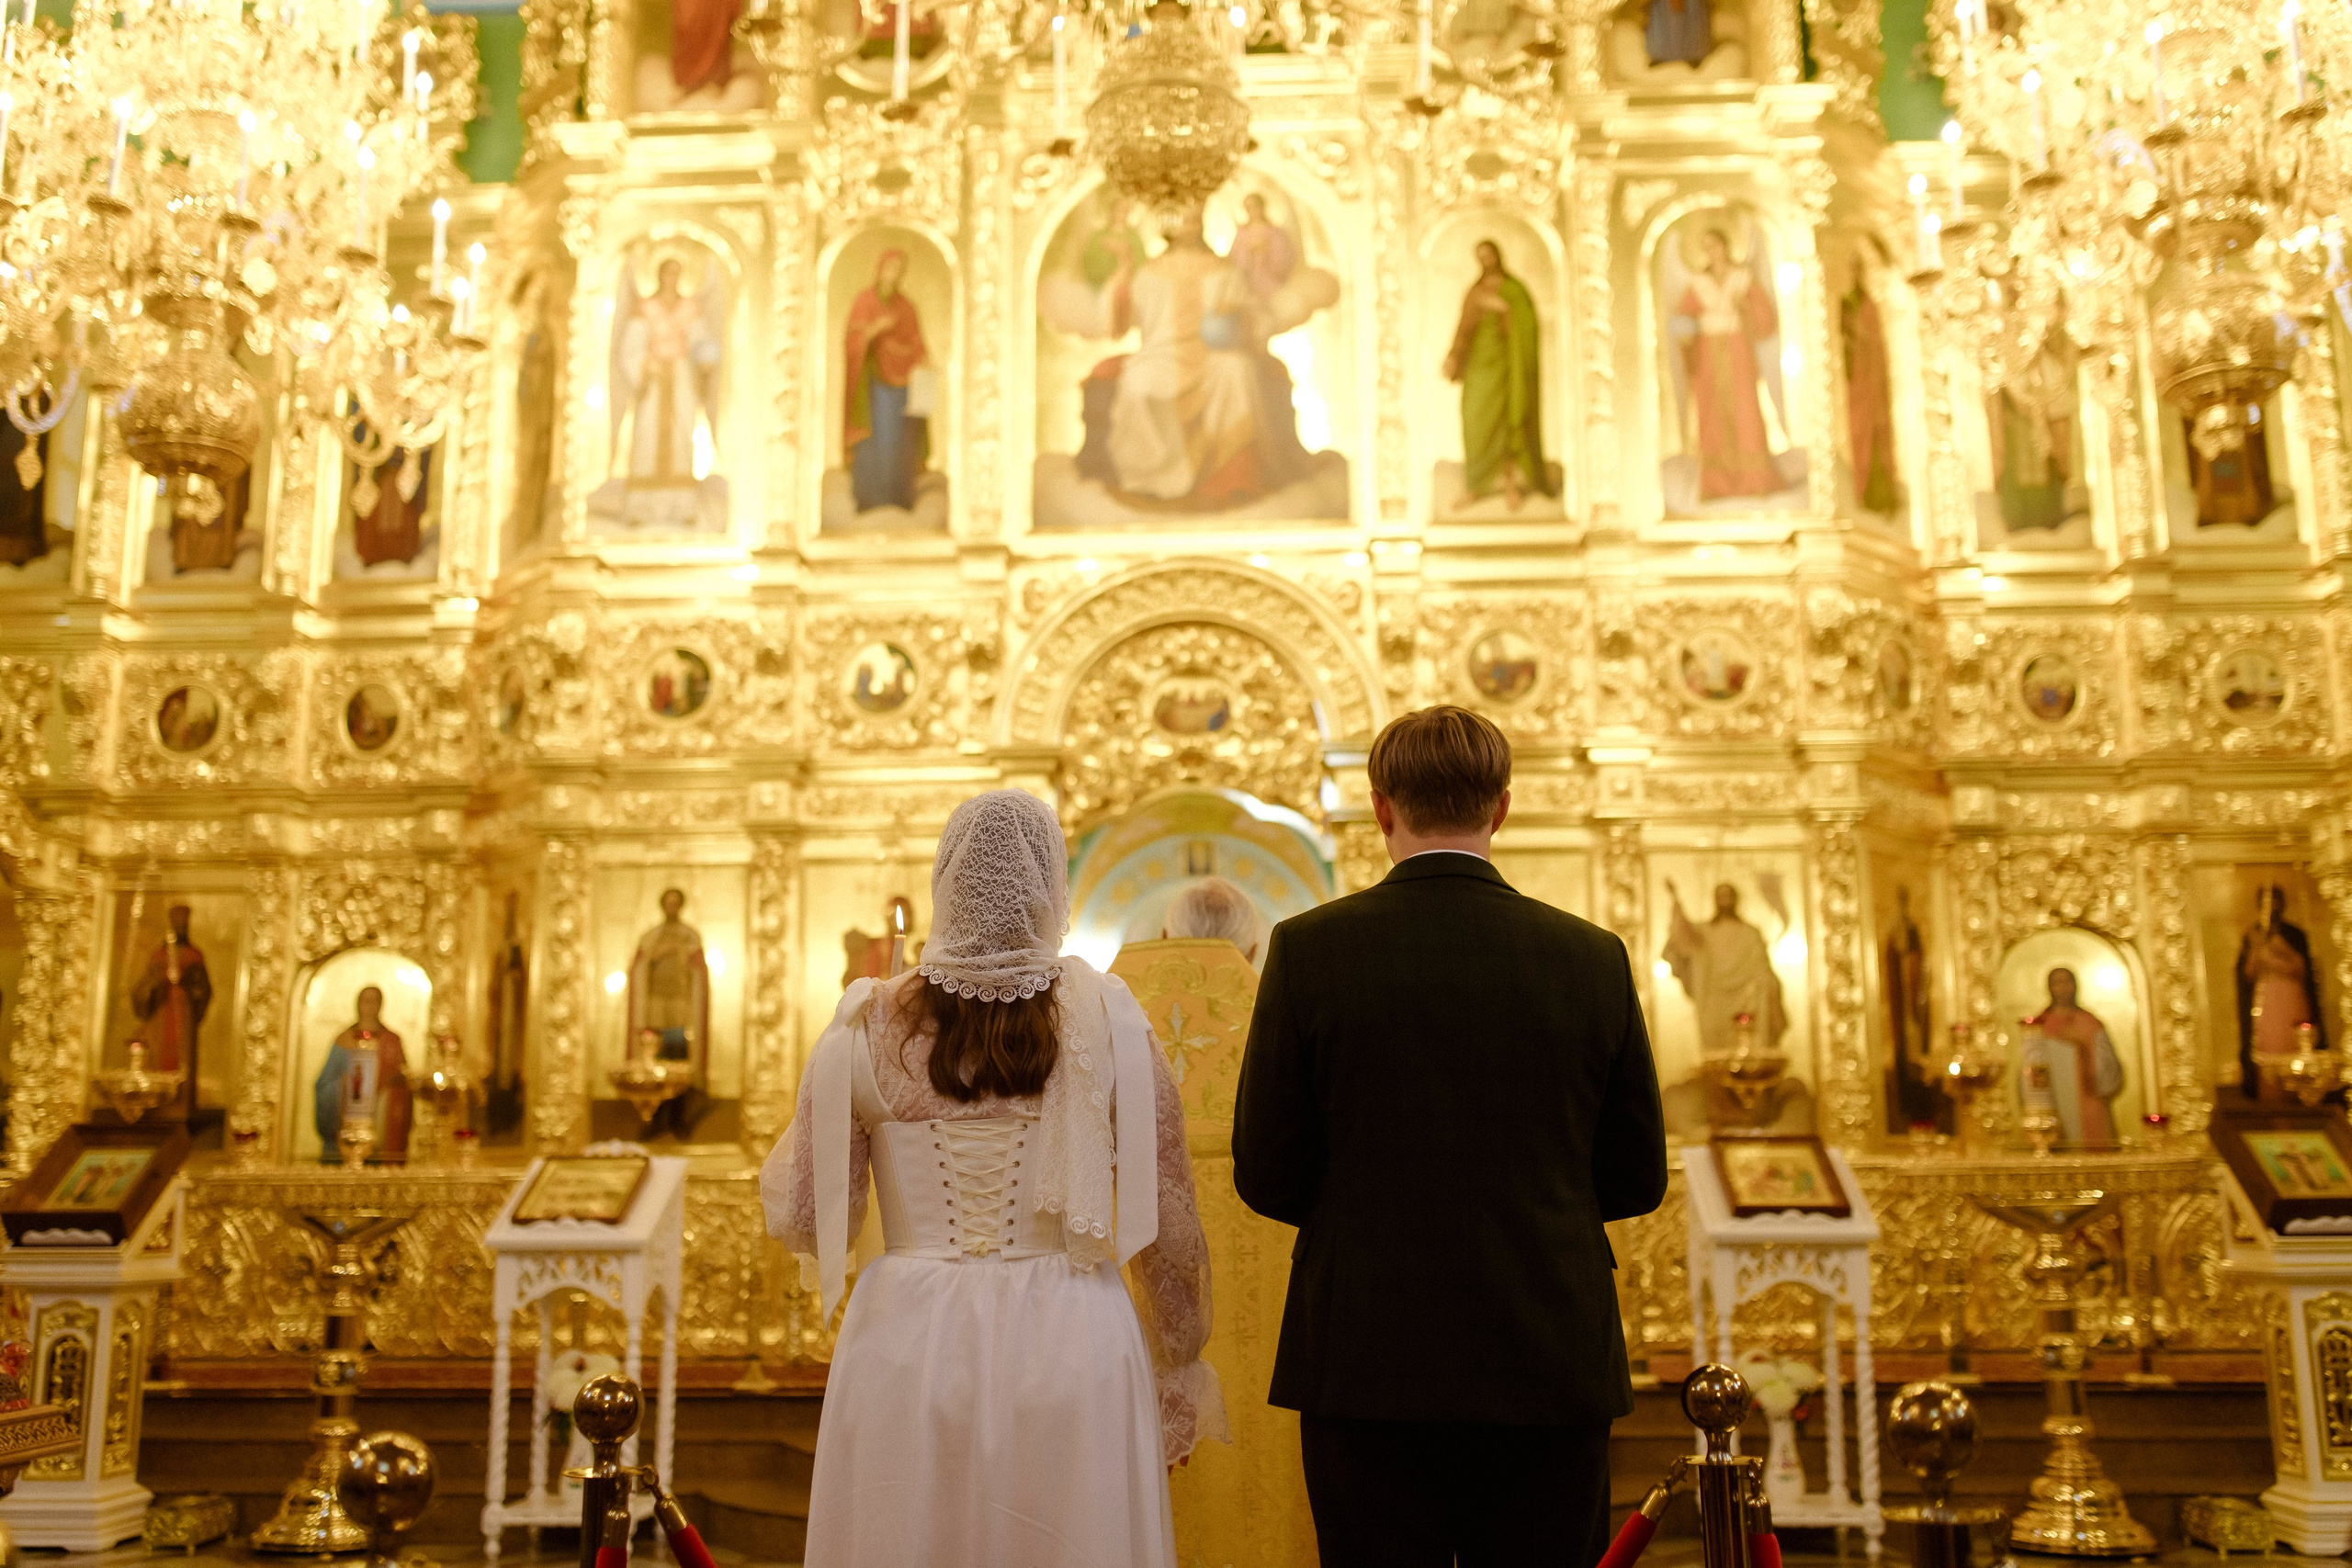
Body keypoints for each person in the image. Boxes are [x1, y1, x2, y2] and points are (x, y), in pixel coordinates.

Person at [1233, 705, 1668, 1567]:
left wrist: (1359, 1218)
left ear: (1381, 805)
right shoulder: (1591, 956)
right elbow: (1636, 1174)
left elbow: (1267, 1169)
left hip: (1366, 1355)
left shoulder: (1312, 950)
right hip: (1549, 1350)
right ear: (1501, 807)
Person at [763, 790, 1223, 1566]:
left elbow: (810, 1213)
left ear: (946, 881)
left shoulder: (864, 1023)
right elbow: (1168, 1224)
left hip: (906, 1336)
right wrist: (1179, 1358)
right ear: (1050, 887)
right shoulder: (1109, 1018)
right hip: (1071, 1328)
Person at [1110, 877, 1313, 1564]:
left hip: (1127, 1294)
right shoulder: (1289, 1015)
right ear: (1254, 948)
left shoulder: (1104, 1017)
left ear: (1168, 939)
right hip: (1279, 1293)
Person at [1670, 226, 1784, 501]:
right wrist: (1687, 333)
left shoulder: (1742, 278)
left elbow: (1765, 316)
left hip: (1737, 349)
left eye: (1716, 244)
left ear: (1725, 245)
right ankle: (1718, 484)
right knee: (1712, 411)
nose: (1713, 251)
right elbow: (1681, 317)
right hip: (1709, 351)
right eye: (1707, 247)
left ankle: (1754, 481)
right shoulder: (1698, 283)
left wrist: (1744, 309)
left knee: (1745, 408)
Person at [1442, 239, 1553, 510]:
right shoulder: (1475, 292)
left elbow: (1526, 321)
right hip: (1480, 366)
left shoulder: (1514, 290)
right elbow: (1463, 328)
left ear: (1497, 256)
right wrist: (1454, 356)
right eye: (1480, 257)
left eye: (1489, 255)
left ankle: (1510, 484)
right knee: (1474, 418)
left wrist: (1505, 309)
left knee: (1507, 422)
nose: (1485, 261)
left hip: (1506, 366)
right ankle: (1475, 485)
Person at [842, 249, 932, 513]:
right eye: (890, 268)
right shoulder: (865, 302)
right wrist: (875, 330)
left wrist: (924, 358)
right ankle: (871, 500)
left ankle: (900, 500)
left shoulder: (906, 307)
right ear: (880, 270)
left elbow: (916, 342)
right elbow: (853, 340)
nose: (893, 274)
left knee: (900, 441)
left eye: (898, 269)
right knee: (878, 440)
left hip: (902, 387)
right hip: (875, 385)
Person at [1663, 878, 1790, 1057]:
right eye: (1720, 896)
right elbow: (1683, 937)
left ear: (1735, 899)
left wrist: (1770, 986)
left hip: (1746, 999)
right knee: (1716, 1050)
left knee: (1747, 1046)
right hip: (1713, 998)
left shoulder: (1750, 933)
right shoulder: (1704, 932)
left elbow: (1762, 969)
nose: (1724, 900)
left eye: (1728, 895)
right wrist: (1675, 900)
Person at [2237, 884, 2326, 1096]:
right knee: (2268, 1044)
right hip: (2266, 998)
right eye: (2266, 903)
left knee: (2293, 1042)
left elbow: (2303, 969)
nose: (2270, 908)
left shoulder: (2294, 935)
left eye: (2274, 902)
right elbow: (2247, 973)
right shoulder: (2254, 934)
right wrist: (2258, 950)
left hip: (2291, 996)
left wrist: (2277, 948)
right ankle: (2270, 1092)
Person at [2025, 966, 2123, 1145]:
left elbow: (2110, 1071)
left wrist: (2084, 1044)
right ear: (2050, 988)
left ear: (2075, 986)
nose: (2063, 988)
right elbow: (2028, 1071)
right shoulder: (2037, 1026)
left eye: (2067, 982)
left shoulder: (2091, 1023)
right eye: (2057, 983)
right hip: (2052, 1099)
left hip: (2087, 1099)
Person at [314, 986, 413, 1162]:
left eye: (374, 1001)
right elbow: (324, 1083)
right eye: (365, 1001)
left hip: (380, 1125)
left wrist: (389, 1087)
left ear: (381, 1005)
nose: (369, 1006)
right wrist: (343, 1086)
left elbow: (404, 1082)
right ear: (358, 1004)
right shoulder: (344, 1040)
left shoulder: (392, 1041)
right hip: (347, 1123)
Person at [129, 904, 211, 1084]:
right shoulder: (158, 956)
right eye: (176, 923)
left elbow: (203, 990)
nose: (179, 927)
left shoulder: (194, 956)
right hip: (161, 1013)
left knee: (181, 1056)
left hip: (184, 1016)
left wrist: (188, 985)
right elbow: (142, 989)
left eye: (183, 924)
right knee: (160, 1054)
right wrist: (156, 983)